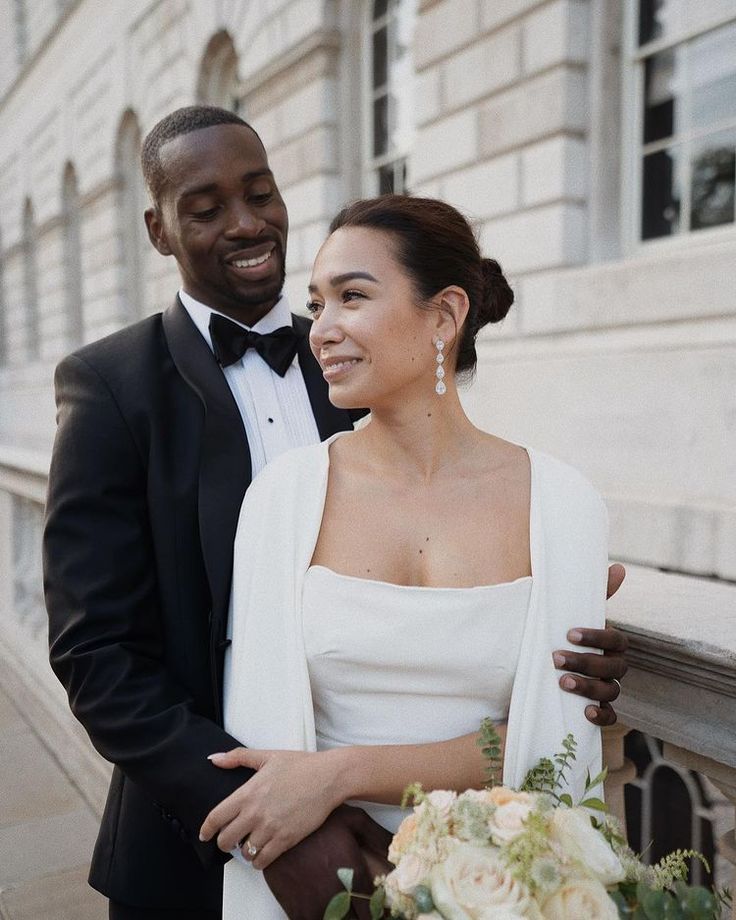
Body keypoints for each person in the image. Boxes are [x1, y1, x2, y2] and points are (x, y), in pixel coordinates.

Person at [42, 106, 627, 920]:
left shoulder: (362, 365)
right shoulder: (112, 388)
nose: (247, 224)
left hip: (487, 855)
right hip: (202, 837)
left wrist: (557, 648)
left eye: (261, 193)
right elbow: (98, 655)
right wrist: (282, 819)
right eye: (206, 208)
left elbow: (530, 715)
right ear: (159, 229)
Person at [200, 194, 623, 919]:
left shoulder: (563, 504)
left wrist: (341, 773)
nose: (321, 331)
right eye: (317, 303)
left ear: (446, 316)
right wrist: (322, 838)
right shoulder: (283, 497)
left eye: (352, 297)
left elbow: (546, 741)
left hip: (504, 879)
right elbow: (264, 732)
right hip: (314, 873)